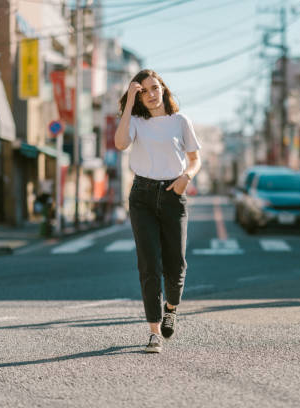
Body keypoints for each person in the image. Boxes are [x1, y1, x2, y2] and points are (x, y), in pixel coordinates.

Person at [114, 69, 201, 353]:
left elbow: (195, 159)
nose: (150, 95)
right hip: (142, 196)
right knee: (149, 265)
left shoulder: (180, 121)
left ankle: (171, 308)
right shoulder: (136, 121)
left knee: (176, 265)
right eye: (143, 92)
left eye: (154, 88)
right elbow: (120, 143)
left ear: (163, 89)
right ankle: (153, 332)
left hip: (173, 195)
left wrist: (185, 178)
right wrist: (128, 102)